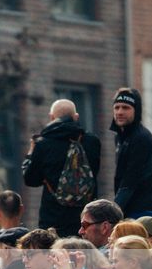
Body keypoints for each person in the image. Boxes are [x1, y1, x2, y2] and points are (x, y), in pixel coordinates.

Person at [22, 100, 101, 235]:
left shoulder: (43, 144)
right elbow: (93, 173)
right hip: (85, 220)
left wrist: (31, 154)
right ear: (76, 117)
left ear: (51, 117)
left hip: (52, 219)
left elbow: (31, 180)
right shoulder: (92, 141)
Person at [108, 87, 152, 218]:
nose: (120, 112)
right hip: (129, 211)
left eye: (125, 108)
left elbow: (130, 181)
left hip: (144, 213)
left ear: (136, 110)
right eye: (117, 107)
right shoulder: (120, 138)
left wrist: (112, 213)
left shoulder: (141, 138)